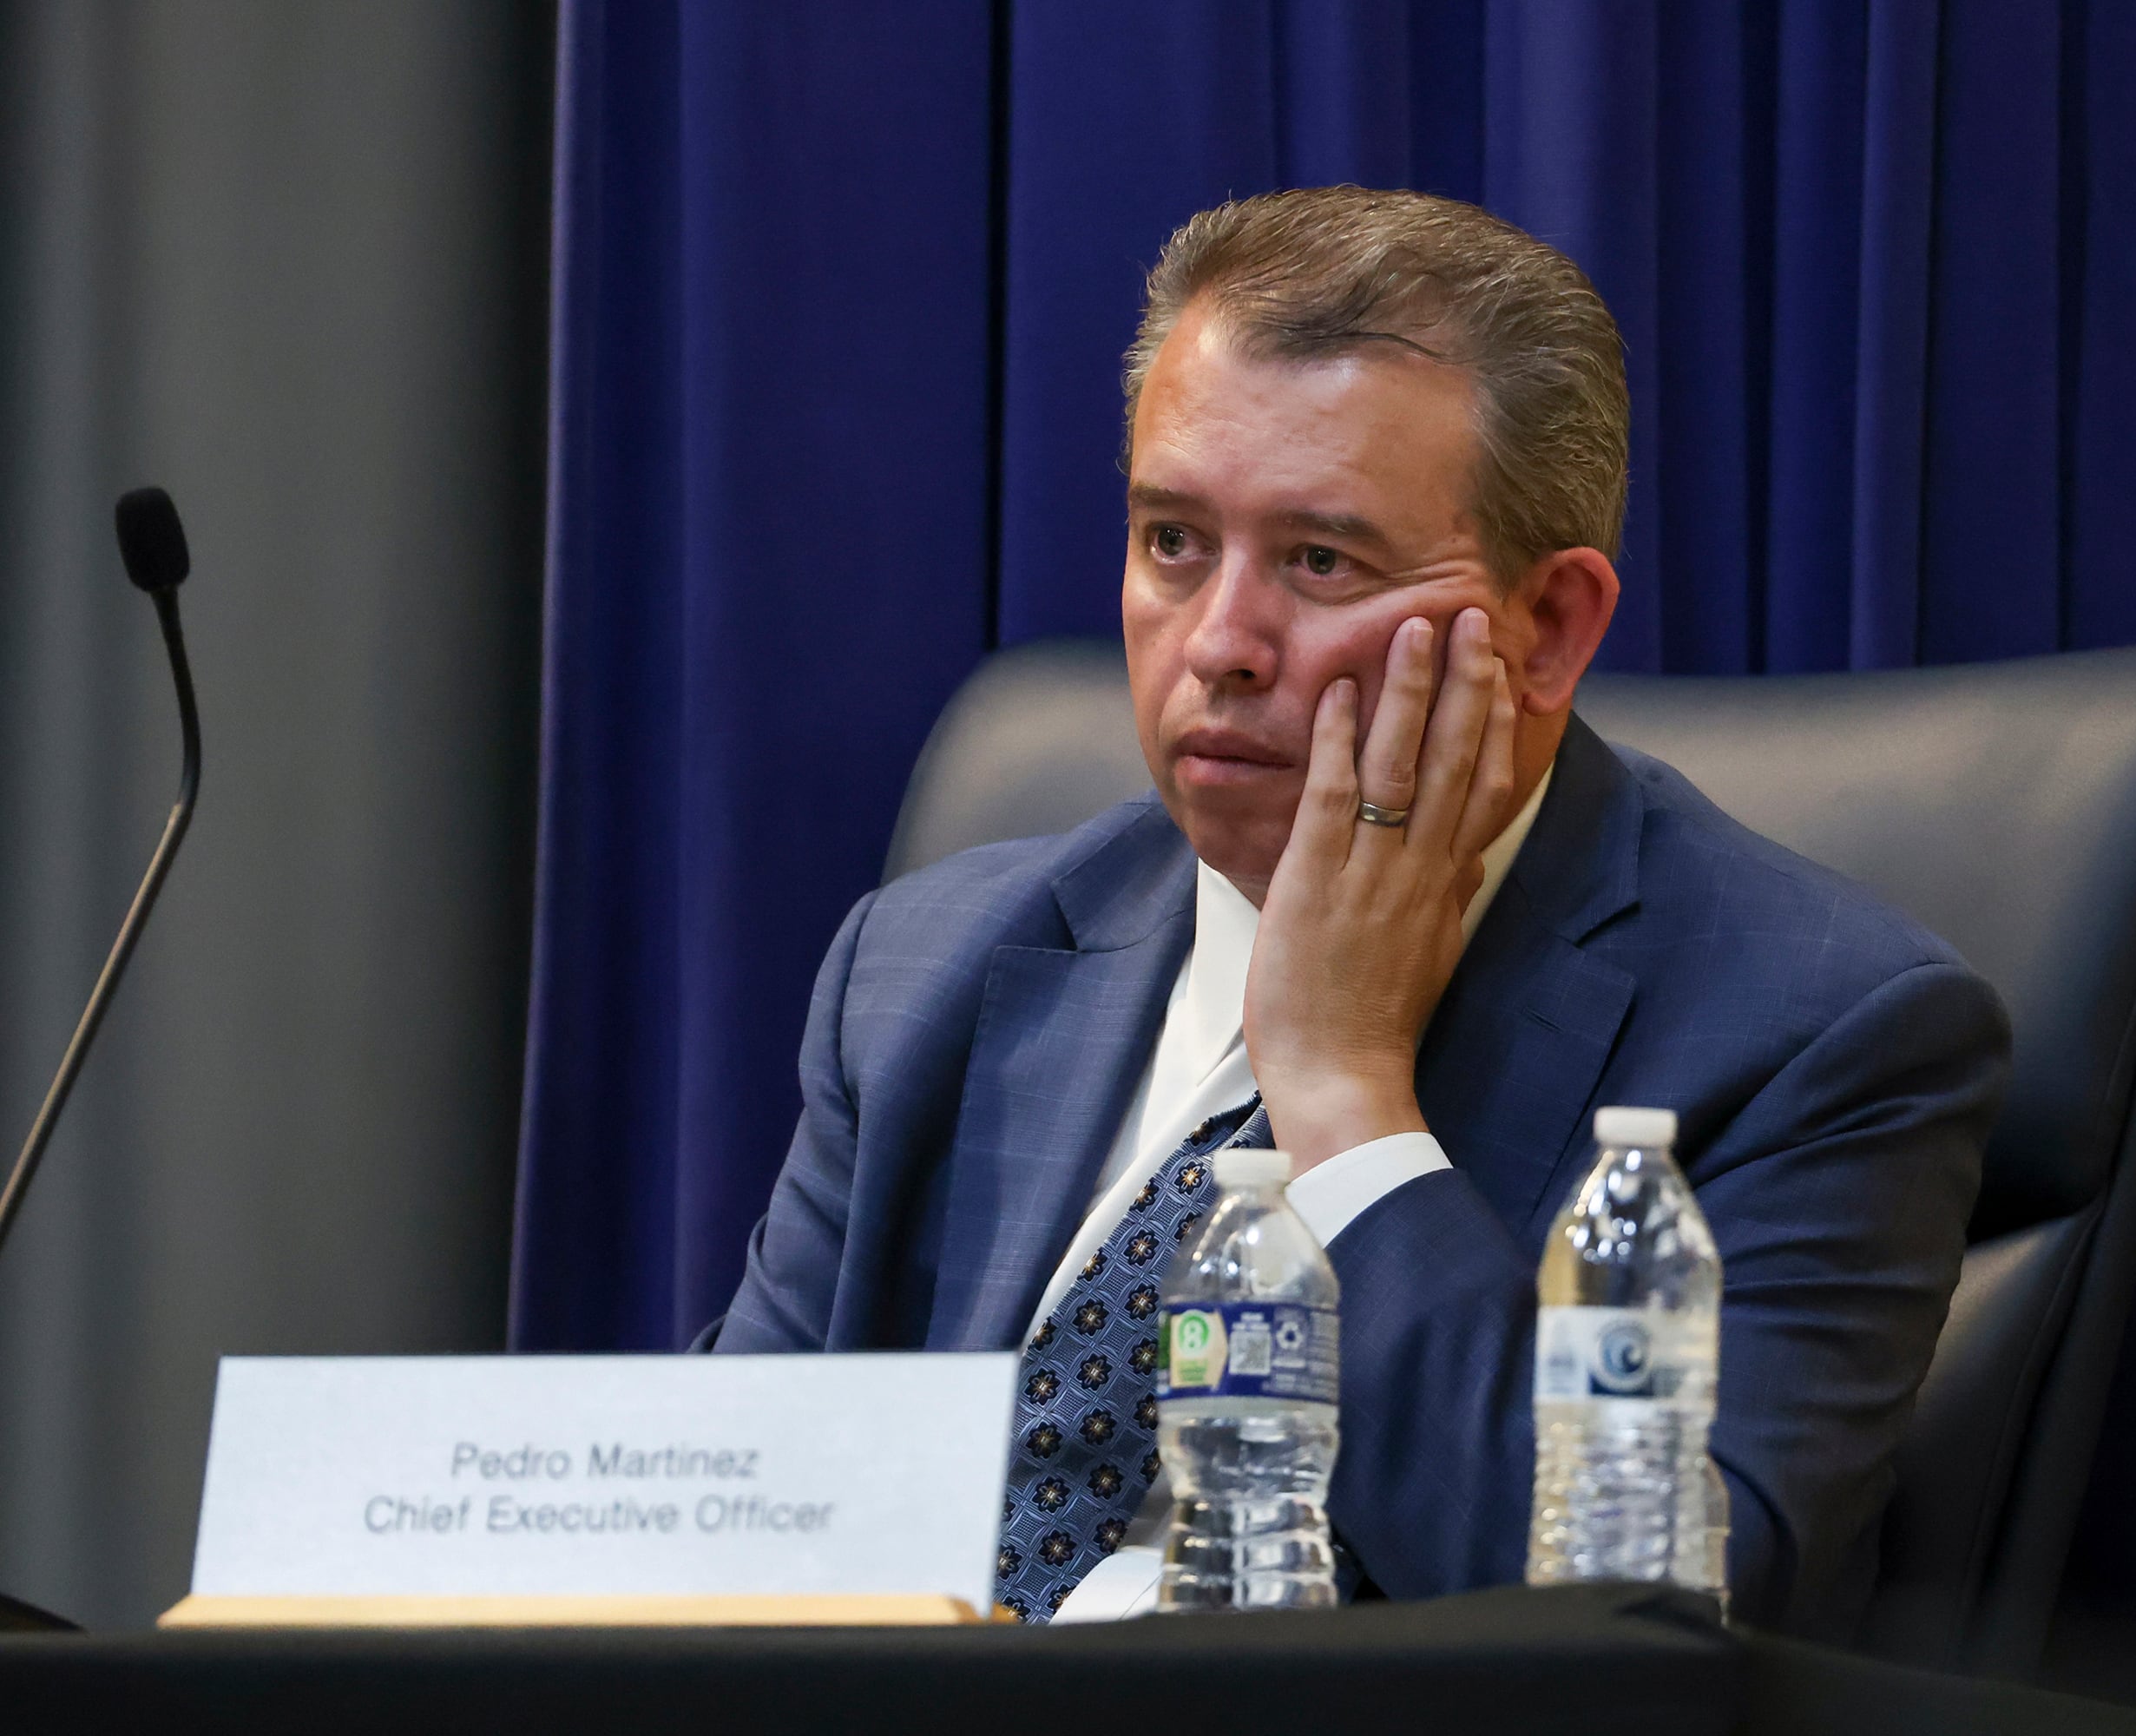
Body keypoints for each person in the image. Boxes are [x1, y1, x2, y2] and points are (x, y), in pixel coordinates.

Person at [701, 187, 2009, 1637]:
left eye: (1321, 562)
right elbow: (716, 1528)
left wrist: (1339, 1096)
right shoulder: (927, 967)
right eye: (1173, 544)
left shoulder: (1815, 1038)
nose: (1220, 646)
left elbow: (1632, 1638)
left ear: (1549, 629)